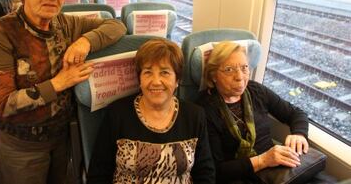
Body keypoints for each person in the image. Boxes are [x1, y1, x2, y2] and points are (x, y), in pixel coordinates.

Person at [0, 0, 126, 184]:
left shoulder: (67, 24)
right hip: (22, 147)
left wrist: (85, 42)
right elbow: (4, 104)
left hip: (62, 137)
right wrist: (58, 83)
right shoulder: (1, 31)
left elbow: (116, 25)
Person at [87, 38, 216, 184]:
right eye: (148, 72)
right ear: (139, 80)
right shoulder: (117, 114)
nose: (156, 81)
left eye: (165, 72)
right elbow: (98, 175)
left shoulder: (195, 115)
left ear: (177, 80)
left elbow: (205, 173)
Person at [197, 41, 309, 184]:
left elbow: (296, 113)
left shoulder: (256, 91)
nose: (240, 77)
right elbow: (216, 170)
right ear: (213, 76)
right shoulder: (203, 109)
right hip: (239, 177)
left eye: (244, 68)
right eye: (229, 69)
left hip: (275, 171)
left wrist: (299, 134)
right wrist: (263, 160)